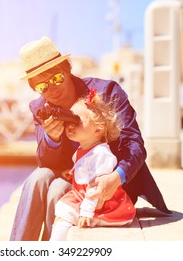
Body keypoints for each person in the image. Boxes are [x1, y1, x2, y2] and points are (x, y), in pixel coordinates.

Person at [10, 36, 170, 241]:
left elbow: (134, 144)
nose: (52, 89)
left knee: (57, 188)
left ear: (67, 70)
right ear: (35, 89)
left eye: (56, 78)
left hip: (110, 187)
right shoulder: (40, 108)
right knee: (37, 179)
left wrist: (116, 177)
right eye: (42, 87)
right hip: (72, 179)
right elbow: (46, 164)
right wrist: (53, 139)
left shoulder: (106, 92)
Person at [50, 89, 136, 240]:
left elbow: (97, 186)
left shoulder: (101, 154)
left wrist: (87, 212)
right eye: (68, 120)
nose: (70, 125)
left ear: (98, 129)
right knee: (61, 214)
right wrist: (72, 173)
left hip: (102, 205)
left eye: (76, 121)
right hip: (84, 197)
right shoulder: (81, 150)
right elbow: (84, 169)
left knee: (63, 217)